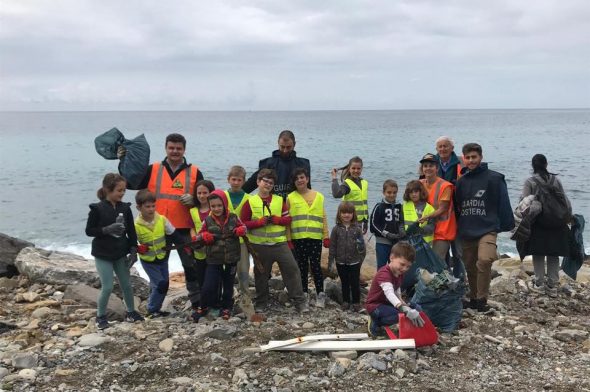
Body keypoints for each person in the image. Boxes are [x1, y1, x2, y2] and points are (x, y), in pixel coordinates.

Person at [118, 133, 205, 313]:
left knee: (191, 267)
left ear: (184, 150)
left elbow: (205, 199)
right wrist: (124, 160)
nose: (175, 151)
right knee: (158, 270)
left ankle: (197, 304)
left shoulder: (195, 171)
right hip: (156, 229)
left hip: (183, 229)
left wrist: (194, 200)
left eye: (178, 148)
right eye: (171, 147)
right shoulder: (153, 169)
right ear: (165, 148)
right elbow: (131, 181)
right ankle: (154, 308)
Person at [455, 143, 514, 312]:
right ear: (463, 159)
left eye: (474, 157)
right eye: (468, 157)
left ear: (481, 157)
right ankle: (474, 298)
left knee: (485, 259)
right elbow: (458, 206)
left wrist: (506, 224)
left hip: (488, 228)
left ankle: (482, 298)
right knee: (470, 266)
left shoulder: (495, 178)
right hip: (467, 228)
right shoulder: (461, 182)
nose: (471, 160)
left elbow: (504, 202)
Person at [240, 169, 308, 313]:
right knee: (261, 275)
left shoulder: (278, 200)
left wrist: (278, 220)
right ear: (258, 182)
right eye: (265, 181)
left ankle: (299, 302)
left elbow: (288, 219)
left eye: (271, 183)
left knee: (292, 269)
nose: (268, 184)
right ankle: (261, 302)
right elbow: (243, 223)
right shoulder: (250, 202)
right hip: (259, 246)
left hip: (280, 244)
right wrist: (258, 222)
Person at [85, 173, 144, 329]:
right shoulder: (97, 209)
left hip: (120, 252)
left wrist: (133, 249)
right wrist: (106, 229)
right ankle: (101, 316)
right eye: (119, 190)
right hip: (103, 254)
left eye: (124, 190)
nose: (122, 193)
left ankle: (131, 312)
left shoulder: (125, 208)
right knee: (108, 286)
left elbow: (131, 231)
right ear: (107, 190)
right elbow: (89, 231)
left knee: (126, 284)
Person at [520, 154, 571, 297]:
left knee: (539, 252)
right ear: (546, 164)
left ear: (533, 166)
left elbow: (524, 202)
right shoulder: (556, 180)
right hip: (557, 222)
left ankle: (539, 283)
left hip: (539, 223)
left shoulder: (530, 182)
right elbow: (565, 201)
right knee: (553, 252)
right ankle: (553, 285)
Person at [193, 190, 247, 321]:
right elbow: (197, 237)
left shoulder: (234, 217)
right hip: (213, 259)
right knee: (208, 285)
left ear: (225, 204)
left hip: (231, 258)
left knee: (228, 284)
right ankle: (203, 306)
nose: (216, 209)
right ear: (210, 206)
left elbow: (245, 227)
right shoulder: (207, 220)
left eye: (219, 205)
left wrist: (241, 230)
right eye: (213, 206)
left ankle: (227, 307)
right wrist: (203, 236)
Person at [134, 189, 182, 318]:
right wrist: (138, 248)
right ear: (139, 207)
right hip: (148, 261)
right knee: (160, 284)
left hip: (162, 257)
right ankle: (152, 309)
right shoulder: (136, 226)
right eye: (147, 206)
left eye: (153, 206)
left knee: (162, 284)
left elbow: (174, 234)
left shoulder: (162, 220)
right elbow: (130, 244)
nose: (151, 209)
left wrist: (186, 247)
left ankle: (156, 308)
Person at [286, 168, 330, 308]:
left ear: (307, 179)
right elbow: (287, 220)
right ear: (294, 182)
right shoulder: (290, 197)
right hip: (298, 237)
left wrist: (326, 235)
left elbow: (323, 217)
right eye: (297, 178)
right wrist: (288, 239)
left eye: (302, 177)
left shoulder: (319, 196)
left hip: (315, 237)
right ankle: (304, 292)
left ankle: (320, 294)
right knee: (302, 266)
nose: (300, 180)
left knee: (316, 266)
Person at [365, 241, 424, 338]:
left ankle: (410, 327)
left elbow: (397, 289)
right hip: (375, 306)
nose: (405, 269)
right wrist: (403, 308)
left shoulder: (398, 272)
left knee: (417, 308)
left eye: (408, 266)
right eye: (402, 264)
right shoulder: (384, 274)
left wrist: (403, 302)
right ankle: (376, 321)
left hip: (387, 304)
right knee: (401, 314)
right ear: (391, 258)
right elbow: (390, 294)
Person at [243, 130, 311, 199]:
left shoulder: (303, 164)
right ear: (278, 143)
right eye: (282, 147)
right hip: (273, 206)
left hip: (295, 206)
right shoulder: (267, 164)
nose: (285, 150)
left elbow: (308, 189)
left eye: (288, 147)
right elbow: (252, 183)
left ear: (294, 144)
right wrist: (235, 193)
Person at [328, 201, 366, 312]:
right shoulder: (336, 229)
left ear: (353, 214)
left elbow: (362, 248)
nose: (346, 215)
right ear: (339, 214)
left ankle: (356, 303)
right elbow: (332, 246)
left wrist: (360, 260)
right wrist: (331, 261)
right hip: (340, 262)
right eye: (344, 212)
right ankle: (345, 302)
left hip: (354, 262)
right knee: (344, 282)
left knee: (355, 283)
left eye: (349, 212)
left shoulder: (357, 229)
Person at [418, 153, 457, 261]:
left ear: (437, 168)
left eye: (431, 165)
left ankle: (455, 276)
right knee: (426, 262)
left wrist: (426, 217)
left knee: (436, 261)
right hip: (427, 230)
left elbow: (443, 208)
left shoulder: (445, 186)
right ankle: (449, 277)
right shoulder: (419, 184)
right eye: (425, 166)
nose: (428, 168)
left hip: (442, 231)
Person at [188, 180, 215, 320]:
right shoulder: (192, 210)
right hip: (199, 251)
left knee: (212, 281)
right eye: (199, 193)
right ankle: (207, 304)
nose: (202, 195)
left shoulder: (215, 209)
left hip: (214, 252)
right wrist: (194, 238)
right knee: (202, 280)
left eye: (205, 192)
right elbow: (191, 227)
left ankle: (204, 307)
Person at [224, 166, 251, 297]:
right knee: (226, 269)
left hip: (242, 241)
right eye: (233, 179)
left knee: (243, 269)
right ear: (228, 179)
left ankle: (245, 295)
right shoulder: (223, 196)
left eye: (239, 180)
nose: (236, 182)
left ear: (243, 181)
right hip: (225, 240)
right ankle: (225, 295)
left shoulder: (248, 198)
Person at [370, 179, 405, 270]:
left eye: (394, 193)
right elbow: (373, 224)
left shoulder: (399, 206)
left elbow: (402, 221)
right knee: (382, 266)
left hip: (395, 242)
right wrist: (386, 234)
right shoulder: (379, 206)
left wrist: (401, 229)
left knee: (395, 266)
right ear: (383, 192)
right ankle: (380, 283)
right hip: (382, 242)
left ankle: (394, 283)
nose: (392, 195)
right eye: (389, 192)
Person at [331, 156, 369, 233]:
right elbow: (336, 194)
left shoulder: (364, 183)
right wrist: (334, 178)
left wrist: (366, 221)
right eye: (353, 168)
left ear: (362, 169)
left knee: (358, 243)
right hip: (348, 221)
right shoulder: (347, 184)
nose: (356, 170)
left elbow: (364, 205)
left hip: (360, 221)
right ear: (349, 169)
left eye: (358, 168)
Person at [402, 180, 435, 245]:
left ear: (421, 192)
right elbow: (400, 224)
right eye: (411, 192)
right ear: (408, 194)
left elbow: (431, 227)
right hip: (408, 243)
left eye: (416, 192)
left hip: (424, 244)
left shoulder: (430, 209)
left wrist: (419, 230)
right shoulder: (403, 206)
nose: (414, 194)